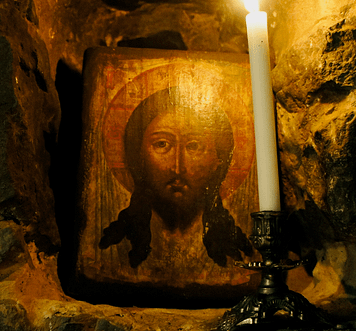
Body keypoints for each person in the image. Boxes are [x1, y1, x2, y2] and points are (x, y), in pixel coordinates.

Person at [99, 87, 253, 268]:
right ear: (139, 156)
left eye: (194, 146)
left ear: (218, 160)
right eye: (162, 144)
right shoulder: (116, 247)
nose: (177, 168)